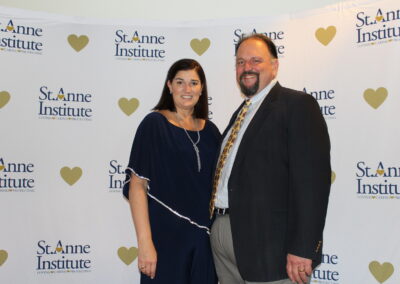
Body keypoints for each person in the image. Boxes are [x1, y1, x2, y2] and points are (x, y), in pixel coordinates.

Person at [209, 34, 331, 284]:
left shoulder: (297, 105)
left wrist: (303, 247)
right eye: (240, 62)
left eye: (256, 60)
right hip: (224, 234)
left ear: (274, 66)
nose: (247, 68)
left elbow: (312, 183)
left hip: (270, 248)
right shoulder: (240, 114)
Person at [123, 59, 220, 284]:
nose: (187, 89)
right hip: (165, 239)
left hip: (205, 241)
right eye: (180, 82)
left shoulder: (212, 131)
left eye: (194, 83)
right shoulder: (154, 124)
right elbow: (137, 185)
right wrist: (145, 244)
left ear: (202, 88)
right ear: (169, 85)